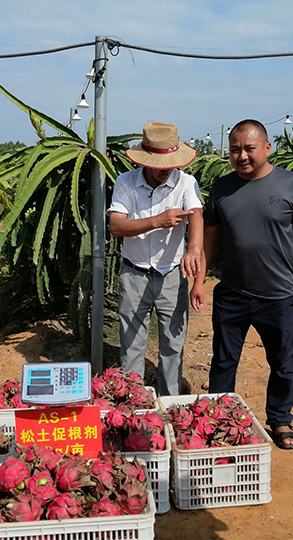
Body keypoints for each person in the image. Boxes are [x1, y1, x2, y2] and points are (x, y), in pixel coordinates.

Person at [192, 119, 293, 449]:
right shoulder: (221, 188)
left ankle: (280, 419)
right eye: (235, 150)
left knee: (282, 363)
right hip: (231, 292)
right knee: (223, 361)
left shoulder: (291, 184)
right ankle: (219, 418)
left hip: (278, 295)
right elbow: (209, 237)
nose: (242, 156)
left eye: (249, 148)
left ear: (266, 148)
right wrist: (199, 280)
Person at [108, 121, 203, 396]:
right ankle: (132, 403)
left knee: (173, 344)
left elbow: (196, 216)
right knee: (131, 343)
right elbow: (116, 226)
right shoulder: (126, 182)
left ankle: (170, 403)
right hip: (134, 273)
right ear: (145, 160)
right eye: (159, 164)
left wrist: (194, 250)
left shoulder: (186, 183)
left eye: (170, 163)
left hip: (172, 275)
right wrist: (157, 221)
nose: (165, 170)